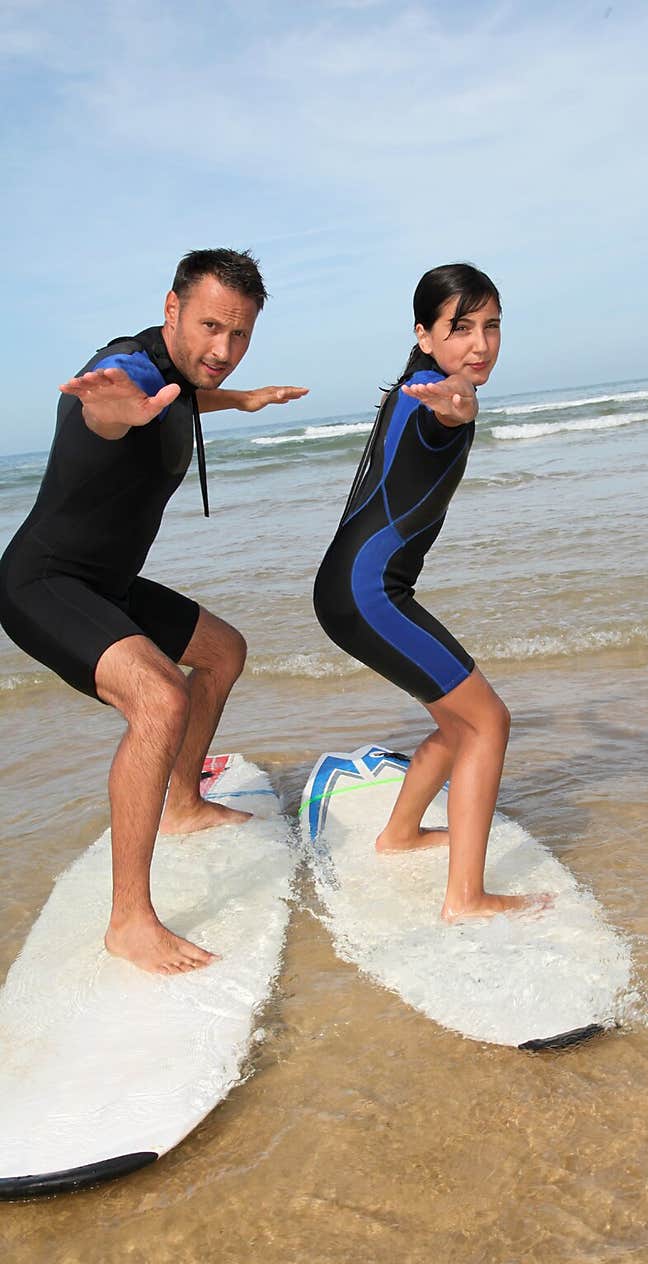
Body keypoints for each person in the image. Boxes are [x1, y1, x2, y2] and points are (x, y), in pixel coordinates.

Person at [0, 248, 308, 975]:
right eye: (209, 327)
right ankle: (129, 922)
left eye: (239, 336)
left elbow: (185, 390)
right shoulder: (126, 371)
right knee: (160, 699)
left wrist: (246, 399)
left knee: (223, 651)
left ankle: (181, 802)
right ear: (171, 310)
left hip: (106, 581)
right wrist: (107, 408)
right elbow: (117, 400)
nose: (223, 350)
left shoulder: (178, 376)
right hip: (44, 582)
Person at [313, 263, 550, 922]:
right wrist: (457, 410)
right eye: (461, 327)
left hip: (354, 590)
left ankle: (400, 835)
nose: (480, 343)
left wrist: (457, 404)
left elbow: (446, 406)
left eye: (491, 326)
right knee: (489, 720)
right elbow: (445, 412)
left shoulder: (422, 388)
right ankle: (466, 898)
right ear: (425, 334)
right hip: (367, 595)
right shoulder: (432, 394)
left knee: (456, 722)